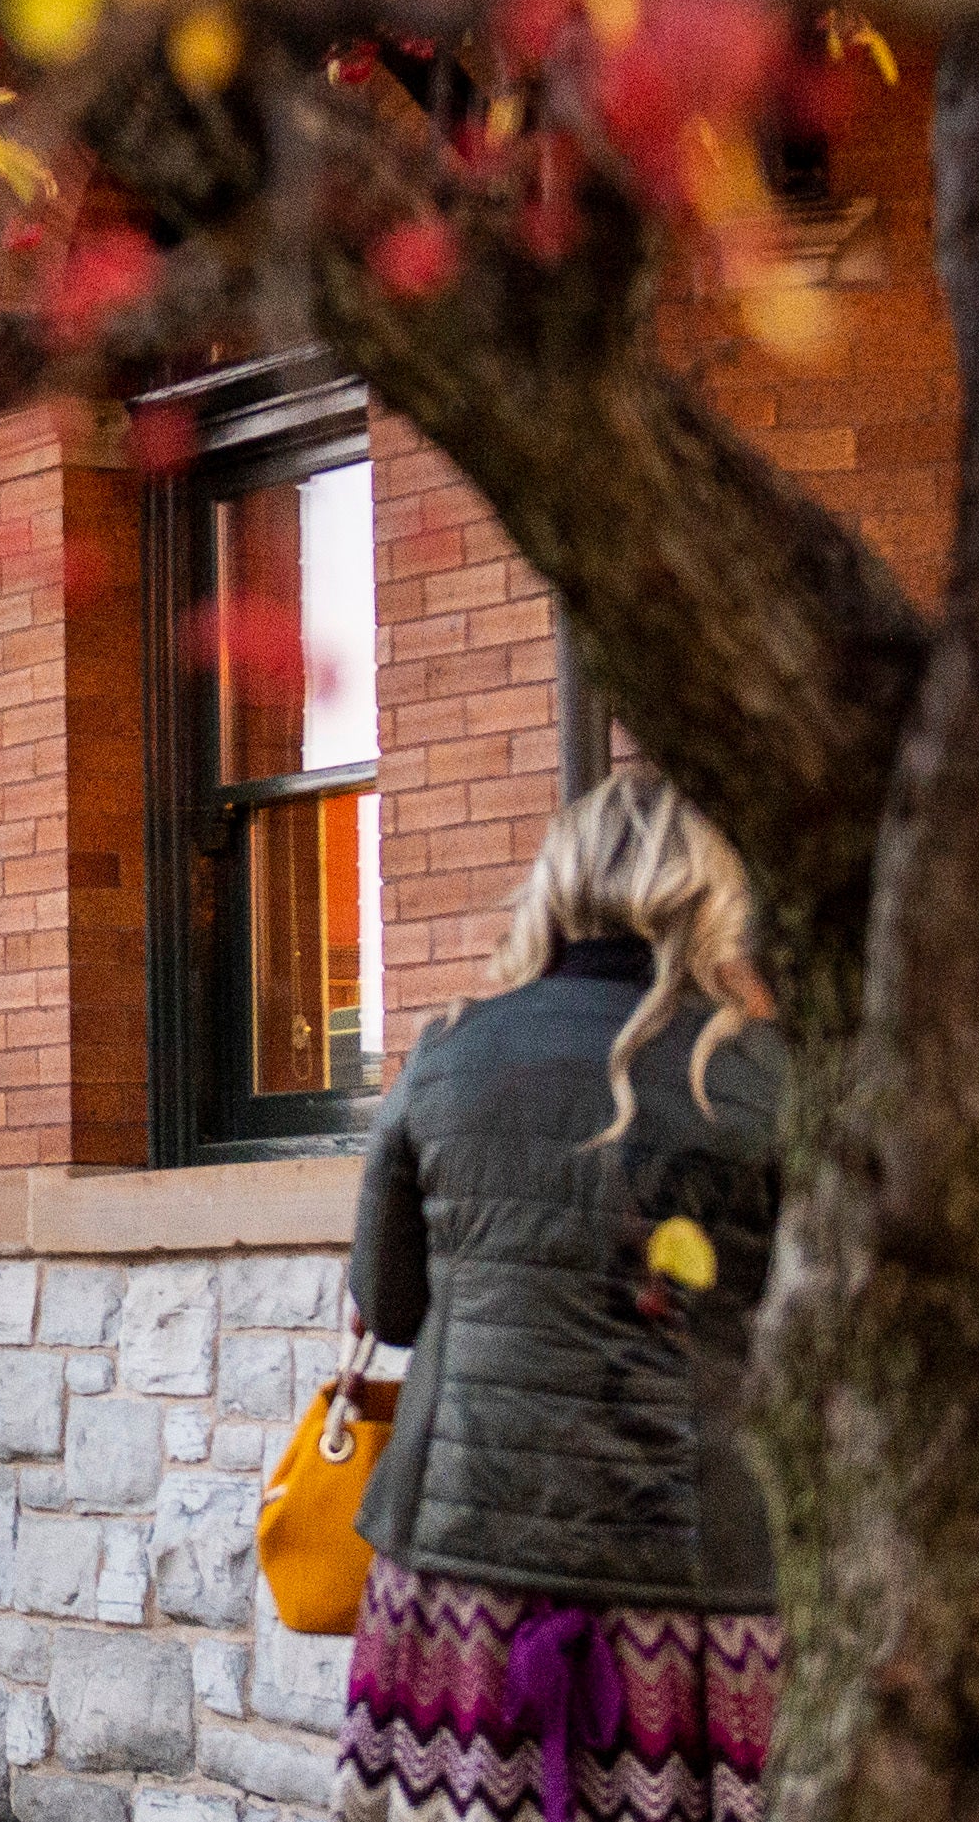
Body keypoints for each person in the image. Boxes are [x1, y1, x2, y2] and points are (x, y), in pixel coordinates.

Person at [334, 772, 786, 1822]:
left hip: (463, 1577)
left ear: (558, 884)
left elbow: (387, 1304)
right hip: (700, 1579)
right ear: (708, 894)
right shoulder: (765, 1072)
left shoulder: (447, 1050)